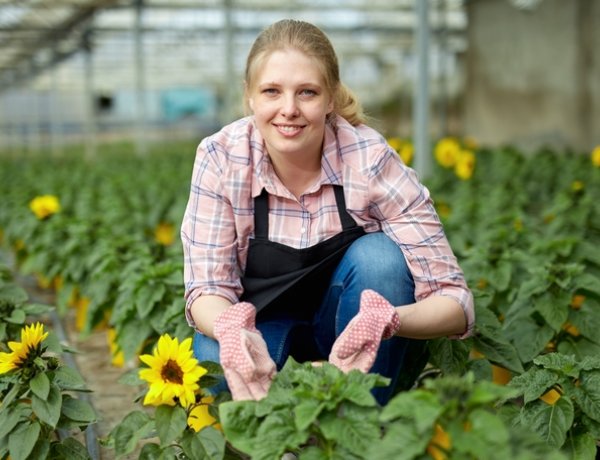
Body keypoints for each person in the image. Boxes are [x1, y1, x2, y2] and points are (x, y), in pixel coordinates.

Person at [181, 19, 474, 405]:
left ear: (331, 98)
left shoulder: (368, 159)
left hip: (350, 328)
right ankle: (271, 429)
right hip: (260, 325)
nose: (289, 110)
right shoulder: (223, 157)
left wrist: (389, 319)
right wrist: (233, 328)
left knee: (381, 259)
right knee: (213, 366)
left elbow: (455, 301)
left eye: (307, 92)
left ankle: (362, 418)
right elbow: (206, 290)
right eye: (272, 91)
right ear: (250, 97)